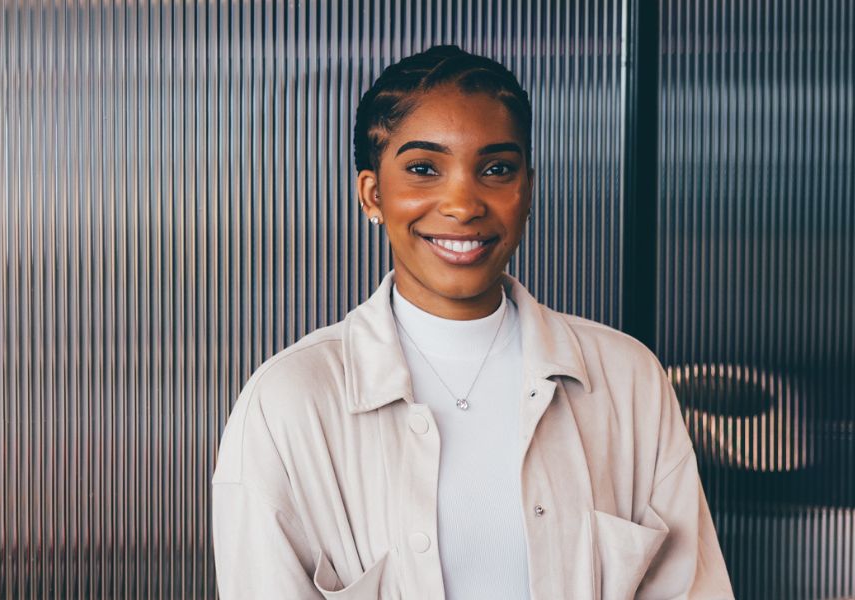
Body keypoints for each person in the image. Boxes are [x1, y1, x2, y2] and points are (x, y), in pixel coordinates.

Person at [209, 45, 733, 599]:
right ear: (372, 195)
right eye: (423, 169)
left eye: (496, 168)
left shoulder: (629, 379)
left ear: (527, 190)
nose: (463, 204)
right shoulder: (288, 402)